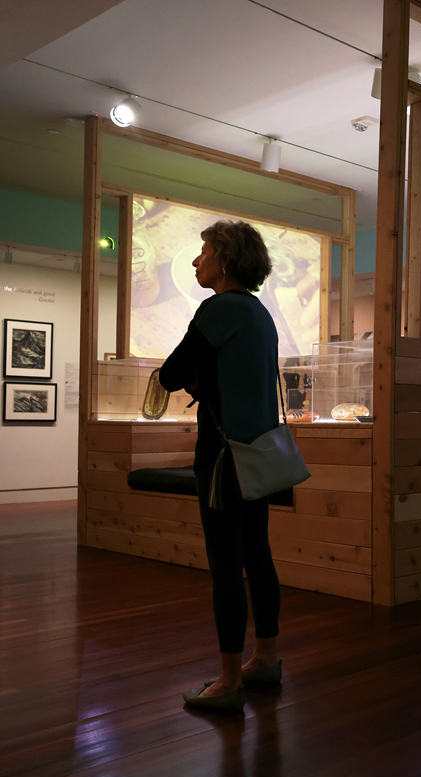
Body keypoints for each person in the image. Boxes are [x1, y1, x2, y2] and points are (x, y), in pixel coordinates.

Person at [160, 220, 284, 712]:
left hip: (221, 457)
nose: (197, 260)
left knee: (226, 567)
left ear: (226, 260)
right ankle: (266, 659)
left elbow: (170, 374)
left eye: (205, 251)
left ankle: (229, 680)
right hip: (257, 455)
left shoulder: (219, 308)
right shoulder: (259, 313)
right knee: (258, 555)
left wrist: (196, 377)